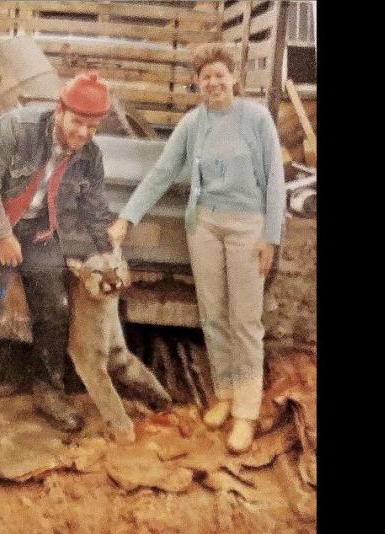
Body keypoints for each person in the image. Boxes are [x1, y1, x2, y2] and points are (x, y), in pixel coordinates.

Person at [107, 43, 285, 454]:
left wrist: (270, 237)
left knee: (244, 322)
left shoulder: (257, 120)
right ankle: (223, 393)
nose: (214, 83)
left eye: (220, 75)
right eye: (206, 77)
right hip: (204, 227)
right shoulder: (193, 123)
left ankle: (245, 411)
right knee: (214, 316)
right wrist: (127, 217)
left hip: (247, 229)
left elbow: (274, 182)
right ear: (198, 83)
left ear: (234, 78)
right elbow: (162, 172)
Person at [0, 71, 116, 446]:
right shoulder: (16, 127)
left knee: (54, 309)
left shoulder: (90, 156)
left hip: (38, 231)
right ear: (59, 110)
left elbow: (94, 211)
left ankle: (48, 392)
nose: (83, 133)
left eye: (92, 126)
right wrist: (1, 235)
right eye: (77, 122)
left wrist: (107, 256)